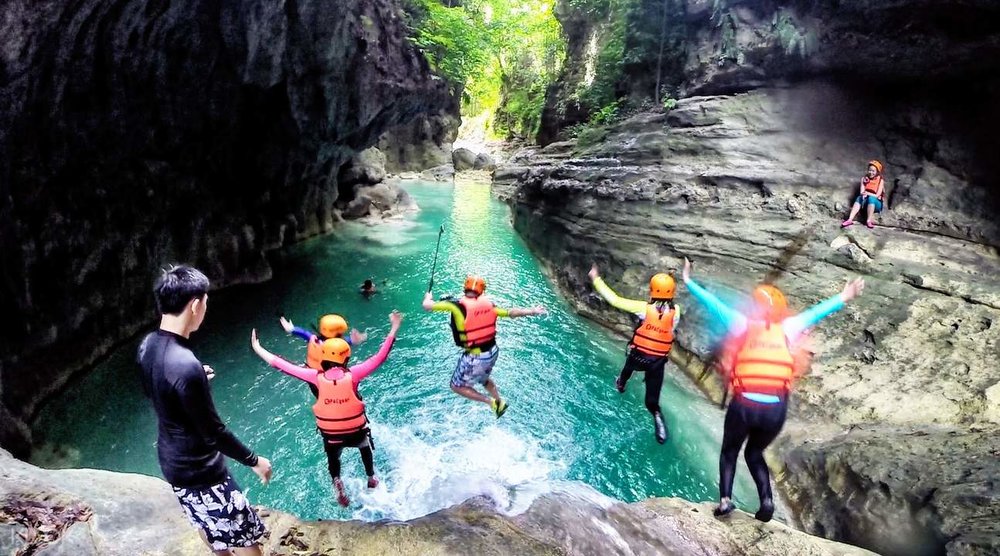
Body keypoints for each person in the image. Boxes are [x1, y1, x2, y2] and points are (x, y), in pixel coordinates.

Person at [682, 258, 864, 522]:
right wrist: (845, 295)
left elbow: (711, 303)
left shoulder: (741, 323)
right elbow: (818, 311)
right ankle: (767, 500)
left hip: (745, 404)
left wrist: (688, 280)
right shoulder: (790, 328)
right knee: (754, 453)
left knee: (730, 452)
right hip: (774, 409)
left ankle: (725, 501)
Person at [138, 265, 271, 555]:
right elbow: (214, 433)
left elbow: (156, 389)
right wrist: (254, 460)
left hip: (171, 463)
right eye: (206, 303)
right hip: (201, 469)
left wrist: (195, 382)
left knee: (205, 522)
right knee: (245, 536)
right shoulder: (185, 364)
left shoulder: (148, 345)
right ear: (196, 305)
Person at [251, 311, 401, 508]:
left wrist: (257, 347)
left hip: (332, 436)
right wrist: (394, 327)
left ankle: (337, 481)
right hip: (356, 432)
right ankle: (371, 477)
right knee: (365, 445)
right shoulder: (354, 374)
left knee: (333, 458)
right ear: (346, 356)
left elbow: (281, 365)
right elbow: (380, 356)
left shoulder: (314, 377)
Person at [422, 275, 545, 418]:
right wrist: (532, 311)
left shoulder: (455, 305)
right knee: (483, 379)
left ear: (464, 288)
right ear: (481, 292)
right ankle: (499, 403)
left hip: (476, 356)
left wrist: (428, 297)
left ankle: (491, 402)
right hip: (492, 352)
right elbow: (510, 313)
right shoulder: (490, 305)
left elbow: (427, 306)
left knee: (456, 386)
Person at [588, 264, 681, 444]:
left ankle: (621, 383)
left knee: (628, 367)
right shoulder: (676, 312)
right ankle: (658, 419)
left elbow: (614, 300)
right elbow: (668, 324)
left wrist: (595, 278)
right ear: (672, 293)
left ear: (651, 290)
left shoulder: (643, 308)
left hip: (639, 356)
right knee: (651, 402)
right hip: (657, 362)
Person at [279, 314, 367, 370]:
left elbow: (304, 333)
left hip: (313, 373)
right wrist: (359, 338)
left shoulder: (315, 340)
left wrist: (292, 329)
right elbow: (354, 340)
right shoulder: (342, 343)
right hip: (330, 377)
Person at [842, 159, 886, 229]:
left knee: (871, 198)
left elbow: (877, 195)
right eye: (870, 170)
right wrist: (864, 194)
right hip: (865, 203)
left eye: (873, 171)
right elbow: (862, 192)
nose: (871, 172)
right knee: (859, 198)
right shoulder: (864, 179)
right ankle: (850, 219)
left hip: (876, 203)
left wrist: (867, 193)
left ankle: (868, 220)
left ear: (877, 172)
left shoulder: (880, 180)